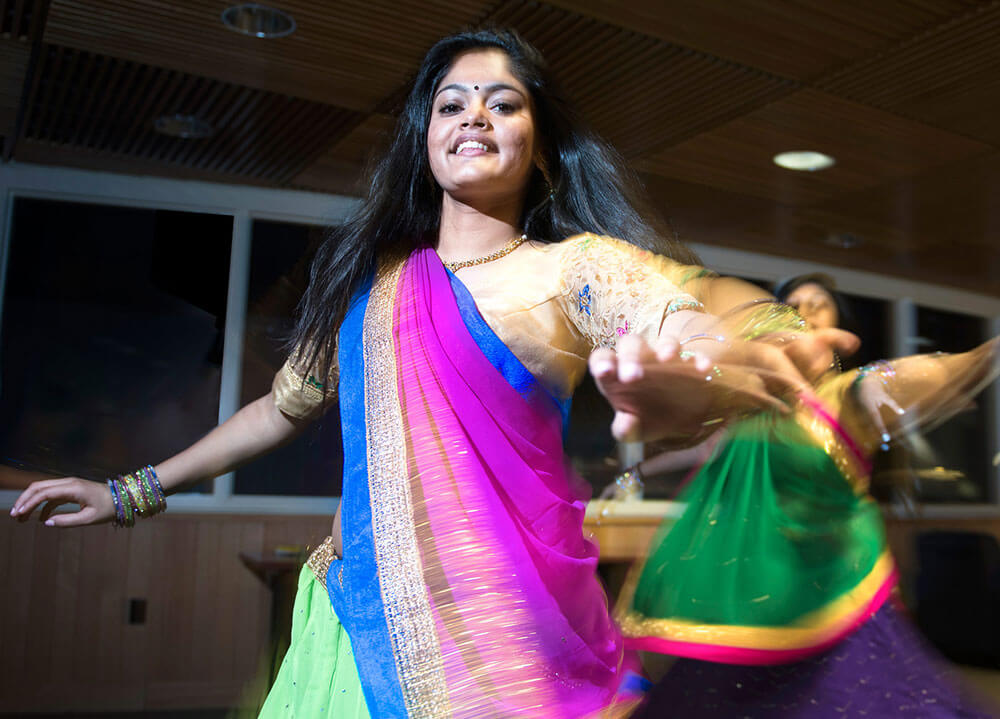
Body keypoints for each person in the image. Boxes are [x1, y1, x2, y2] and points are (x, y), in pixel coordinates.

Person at [9, 29, 851, 718]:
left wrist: (739, 350)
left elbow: (688, 321)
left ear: (542, 148)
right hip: (357, 624)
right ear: (426, 140)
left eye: (503, 101)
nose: (474, 114)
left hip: (510, 642)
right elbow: (281, 405)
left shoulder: (573, 270)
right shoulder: (370, 291)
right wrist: (129, 491)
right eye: (451, 102)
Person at [618, 306, 1000, 717]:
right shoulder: (748, 420)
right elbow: (701, 448)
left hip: (835, 600)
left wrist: (982, 355)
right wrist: (634, 470)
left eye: (810, 320)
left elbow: (904, 378)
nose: (802, 331)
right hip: (753, 604)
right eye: (781, 330)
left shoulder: (843, 396)